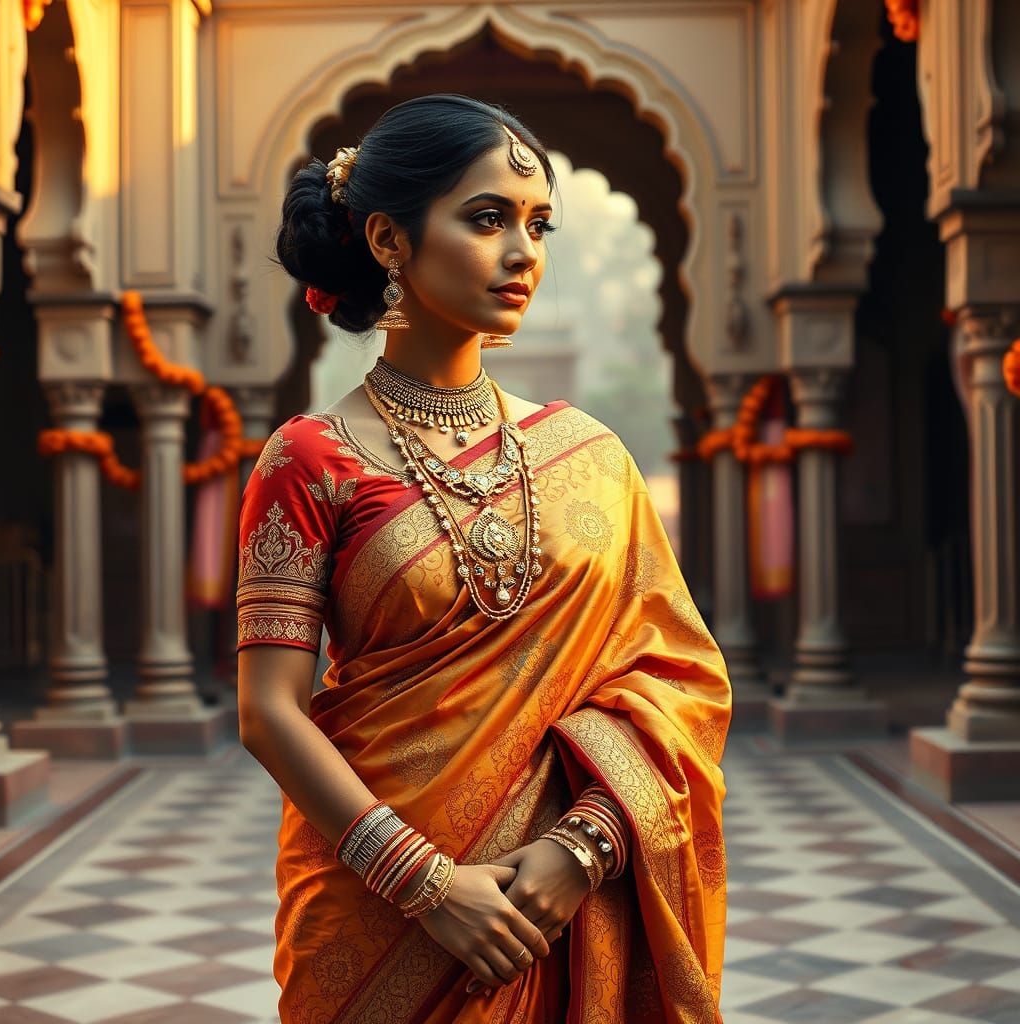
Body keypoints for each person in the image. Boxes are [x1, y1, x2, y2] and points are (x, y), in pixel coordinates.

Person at [236, 93, 731, 1024]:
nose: (523, 251)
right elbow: (268, 711)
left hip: (558, 906)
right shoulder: (309, 459)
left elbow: (678, 679)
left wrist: (581, 849)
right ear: (388, 239)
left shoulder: (590, 457)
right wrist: (426, 884)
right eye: (487, 217)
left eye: (538, 223)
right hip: (374, 912)